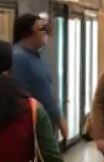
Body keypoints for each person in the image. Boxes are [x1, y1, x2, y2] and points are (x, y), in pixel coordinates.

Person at [12, 13, 67, 143]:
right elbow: (19, 97)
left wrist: (60, 119)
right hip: (33, 129)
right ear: (27, 33)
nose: (46, 33)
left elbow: (48, 90)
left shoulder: (39, 55)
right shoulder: (18, 57)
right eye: (42, 29)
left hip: (47, 125)